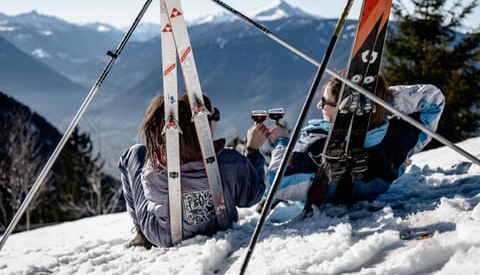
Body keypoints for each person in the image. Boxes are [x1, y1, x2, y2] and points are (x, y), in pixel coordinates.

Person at [265, 70, 445, 209]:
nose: (319, 105)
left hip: (323, 202)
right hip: (370, 191)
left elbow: (274, 182)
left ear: (345, 108)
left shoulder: (316, 145)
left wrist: (282, 142)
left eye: (325, 101)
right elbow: (433, 99)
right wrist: (378, 101)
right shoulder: (396, 137)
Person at [118, 93, 269, 248]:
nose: (217, 119)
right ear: (204, 124)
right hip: (218, 224)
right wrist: (253, 151)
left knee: (134, 154)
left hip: (165, 236)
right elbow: (252, 196)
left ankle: (141, 235)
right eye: (215, 115)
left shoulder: (156, 168)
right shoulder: (231, 163)